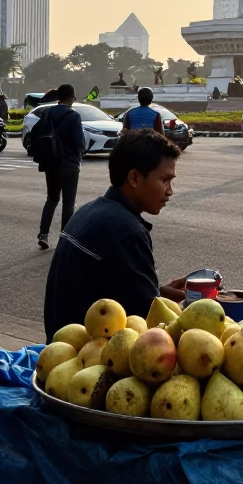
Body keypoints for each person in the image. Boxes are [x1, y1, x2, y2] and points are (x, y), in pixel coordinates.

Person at [42, 129, 187, 340]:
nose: (170, 190)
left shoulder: (90, 211)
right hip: (86, 357)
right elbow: (148, 325)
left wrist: (159, 297)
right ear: (135, 177)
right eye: (165, 180)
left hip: (60, 345)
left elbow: (114, 293)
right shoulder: (126, 231)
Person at [29, 84, 86, 250]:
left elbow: (35, 133)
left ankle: (43, 235)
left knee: (52, 199)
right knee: (68, 203)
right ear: (70, 97)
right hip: (69, 163)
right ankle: (64, 237)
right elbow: (79, 142)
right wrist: (80, 152)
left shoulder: (47, 113)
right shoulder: (73, 116)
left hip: (50, 163)